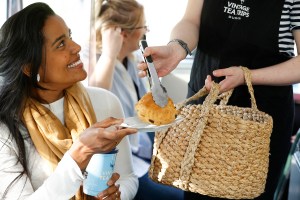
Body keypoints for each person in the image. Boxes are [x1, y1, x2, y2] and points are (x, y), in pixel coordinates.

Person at [137, 0, 300, 199]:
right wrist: (177, 48)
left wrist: (248, 76)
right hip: (203, 109)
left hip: (261, 119)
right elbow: (190, 21)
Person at [0, 2, 139, 200]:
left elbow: (128, 178)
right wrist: (79, 154)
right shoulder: (6, 129)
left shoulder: (106, 102)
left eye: (70, 36)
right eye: (61, 44)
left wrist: (117, 195)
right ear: (30, 68)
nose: (77, 47)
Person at [88, 0, 184, 199]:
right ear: (124, 33)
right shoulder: (98, 62)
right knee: (179, 196)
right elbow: (96, 98)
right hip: (125, 153)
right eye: (143, 27)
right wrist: (109, 53)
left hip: (142, 142)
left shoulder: (132, 61)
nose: (145, 32)